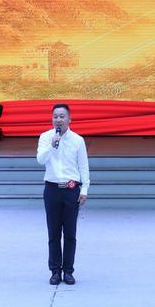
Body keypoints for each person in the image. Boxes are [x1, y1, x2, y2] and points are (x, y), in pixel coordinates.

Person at [36, 104, 90, 285]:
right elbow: (40, 160)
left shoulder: (78, 140)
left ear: (69, 119)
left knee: (70, 233)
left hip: (70, 190)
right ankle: (54, 271)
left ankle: (68, 271)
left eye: (62, 116)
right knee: (53, 233)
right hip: (52, 190)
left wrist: (84, 189)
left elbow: (83, 167)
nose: (58, 119)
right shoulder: (45, 137)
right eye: (55, 116)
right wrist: (52, 145)